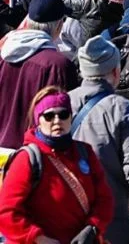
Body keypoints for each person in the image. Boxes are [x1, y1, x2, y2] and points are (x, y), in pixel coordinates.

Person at [69, 37, 129, 244]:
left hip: (67, 216)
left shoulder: (63, 103)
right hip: (111, 220)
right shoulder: (122, 109)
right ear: (115, 72)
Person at [0, 87, 114, 243]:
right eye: (49, 116)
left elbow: (104, 199)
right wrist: (39, 238)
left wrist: (93, 227)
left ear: (70, 117)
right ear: (38, 121)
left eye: (63, 114)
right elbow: (6, 212)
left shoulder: (85, 152)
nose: (57, 121)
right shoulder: (27, 158)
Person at [0, 0, 77, 151]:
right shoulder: (58, 65)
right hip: (34, 156)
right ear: (59, 26)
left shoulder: (2, 52)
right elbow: (64, 119)